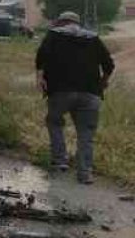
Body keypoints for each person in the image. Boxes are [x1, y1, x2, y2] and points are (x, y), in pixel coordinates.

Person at [35, 11, 115, 184]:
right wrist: (103, 81)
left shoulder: (54, 35)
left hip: (60, 91)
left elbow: (41, 56)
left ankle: (60, 161)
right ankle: (85, 173)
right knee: (86, 133)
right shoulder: (93, 38)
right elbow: (109, 64)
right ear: (78, 23)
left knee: (54, 122)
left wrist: (40, 77)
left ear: (61, 22)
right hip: (90, 94)